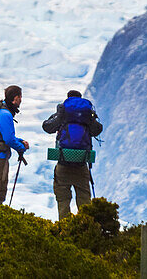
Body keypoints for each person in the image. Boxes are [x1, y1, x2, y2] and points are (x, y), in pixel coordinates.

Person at [42, 89, 103, 219]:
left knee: (63, 201)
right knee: (84, 203)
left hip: (63, 165)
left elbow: (47, 127)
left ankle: (65, 231)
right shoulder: (86, 115)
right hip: (81, 166)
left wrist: (59, 115)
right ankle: (86, 231)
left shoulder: (63, 113)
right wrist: (91, 117)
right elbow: (98, 130)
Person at [0, 85, 29, 204]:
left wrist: (19, 141)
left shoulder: (2, 112)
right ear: (16, 98)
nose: (21, 100)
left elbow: (4, 135)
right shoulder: (5, 114)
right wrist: (21, 147)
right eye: (20, 97)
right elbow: (8, 139)